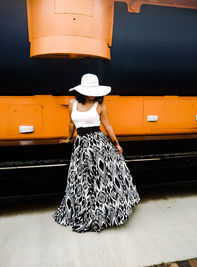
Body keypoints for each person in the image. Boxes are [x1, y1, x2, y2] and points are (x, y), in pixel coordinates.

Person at [52, 73, 140, 233]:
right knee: (81, 179)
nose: (94, 94)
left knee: (101, 179)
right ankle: (83, 210)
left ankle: (104, 210)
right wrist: (68, 138)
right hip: (81, 145)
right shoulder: (72, 103)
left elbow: (108, 125)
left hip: (98, 145)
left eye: (96, 91)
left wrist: (116, 143)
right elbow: (71, 122)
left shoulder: (100, 105)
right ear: (82, 91)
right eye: (90, 91)